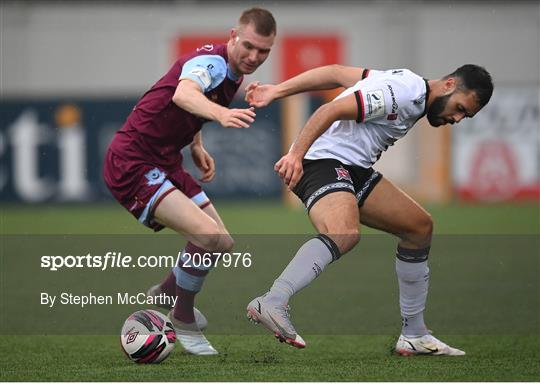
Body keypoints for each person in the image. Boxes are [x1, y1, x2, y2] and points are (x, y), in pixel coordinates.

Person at [245, 64, 493, 355]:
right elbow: (329, 111)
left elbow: (336, 73)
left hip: (354, 168)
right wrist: (296, 156)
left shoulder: (407, 84)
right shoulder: (401, 94)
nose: (457, 118)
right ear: (450, 84)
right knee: (344, 233)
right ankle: (273, 300)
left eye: (466, 116)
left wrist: (277, 90)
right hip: (323, 162)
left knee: (418, 228)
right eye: (461, 108)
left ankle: (413, 335)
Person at [103, 7, 276, 355]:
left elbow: (186, 105)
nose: (254, 57)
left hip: (166, 160)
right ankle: (182, 317)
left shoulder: (233, 72)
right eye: (249, 46)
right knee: (206, 235)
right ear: (233, 36)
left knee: (223, 242)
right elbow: (184, 94)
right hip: (134, 162)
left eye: (264, 52)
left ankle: (167, 293)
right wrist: (223, 114)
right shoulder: (211, 62)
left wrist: (196, 144)